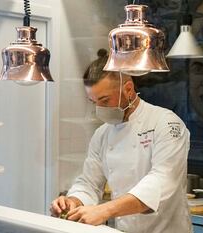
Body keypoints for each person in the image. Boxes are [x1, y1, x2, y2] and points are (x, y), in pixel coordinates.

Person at [50, 50, 192, 233]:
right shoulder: (102, 134)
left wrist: (105, 210)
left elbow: (162, 180)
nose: (99, 108)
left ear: (128, 89)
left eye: (104, 100)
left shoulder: (165, 123)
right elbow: (89, 183)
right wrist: (73, 201)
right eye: (93, 102)